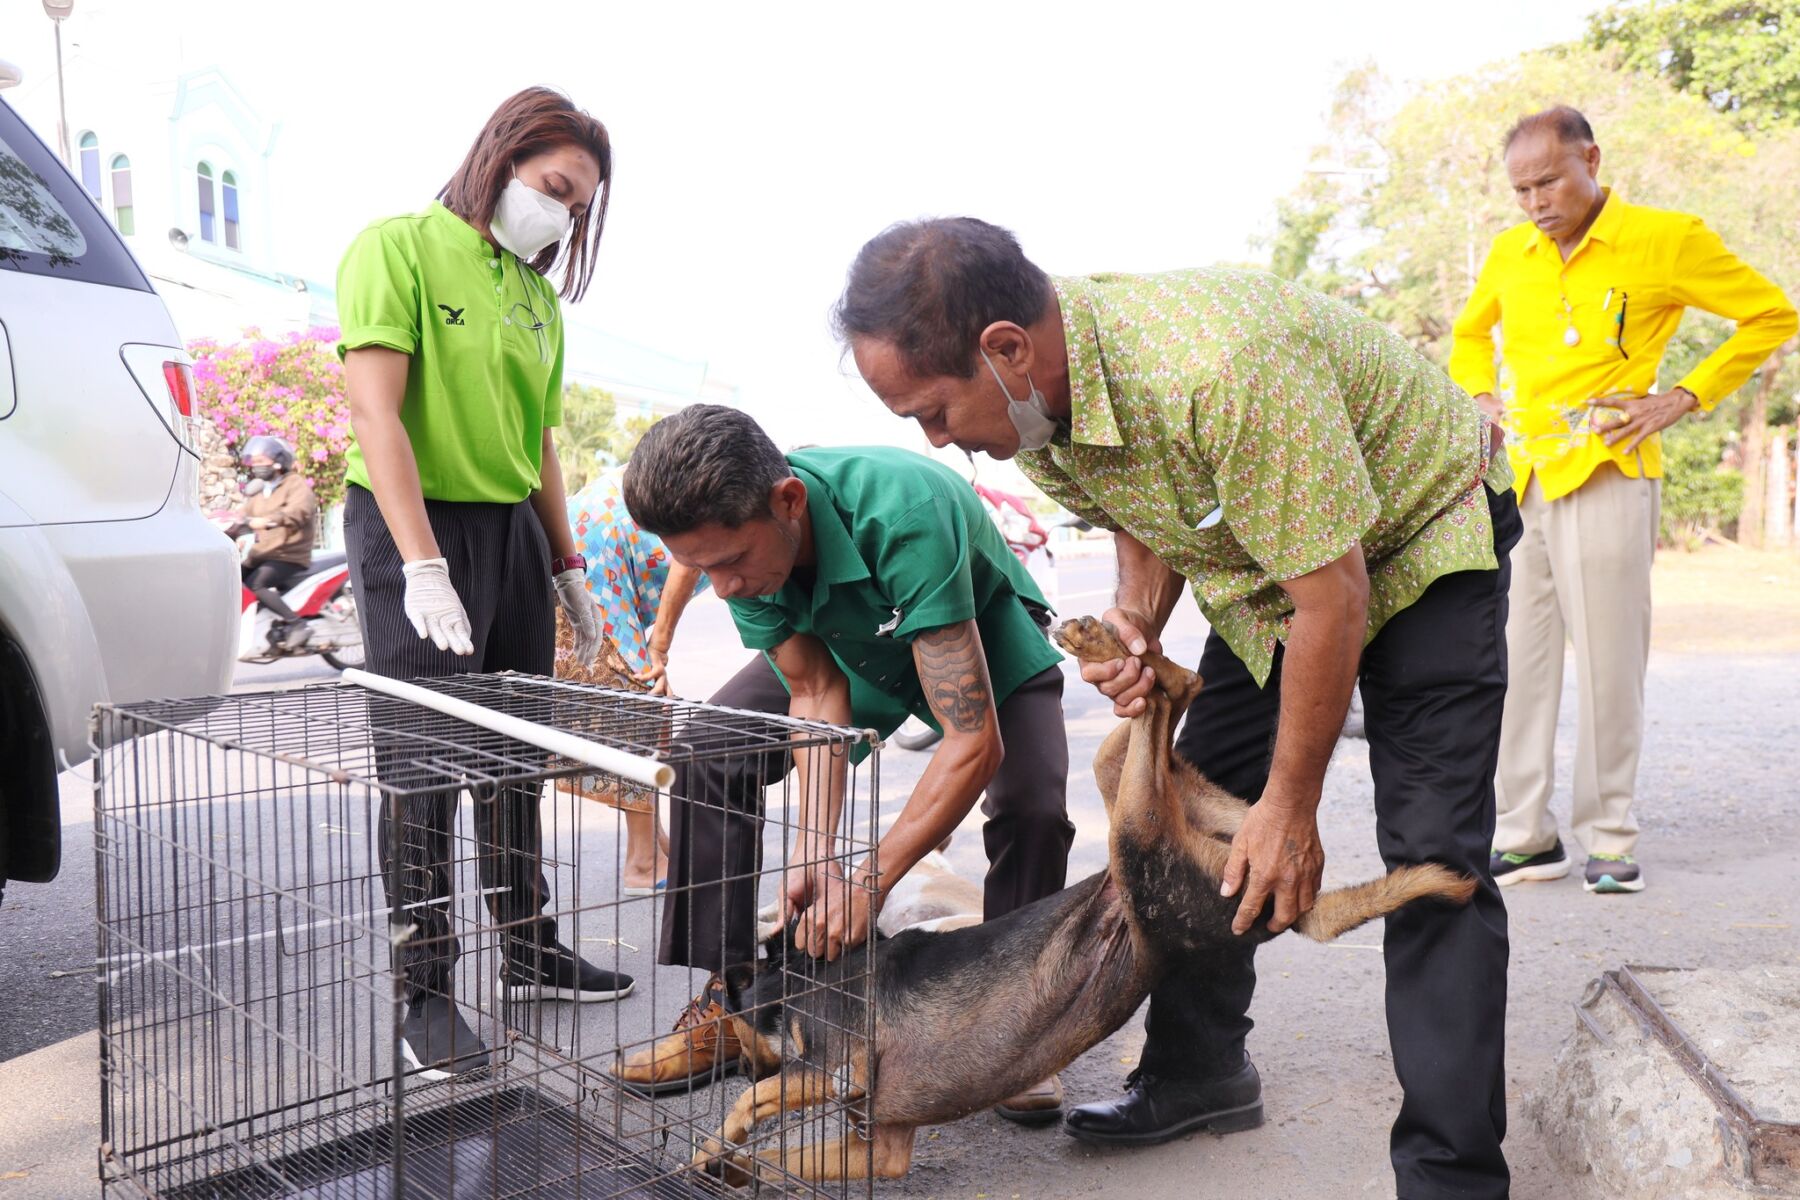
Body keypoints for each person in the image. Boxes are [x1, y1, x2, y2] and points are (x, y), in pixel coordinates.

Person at [838, 217, 1519, 1200]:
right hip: (1273, 571)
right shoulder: (1038, 404)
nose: (939, 441)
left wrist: (1290, 807)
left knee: (1434, 857)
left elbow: (1335, 597)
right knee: (1193, 820)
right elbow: (1142, 509)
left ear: (1004, 350)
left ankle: (1452, 1178)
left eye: (934, 412)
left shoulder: (1220, 367)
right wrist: (1138, 621)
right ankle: (1201, 1070)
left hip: (1422, 527)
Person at [613, 405, 1075, 1126]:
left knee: (1034, 807)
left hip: (976, 637)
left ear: (787, 502)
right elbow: (815, 690)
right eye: (702, 570)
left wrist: (868, 878)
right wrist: (814, 853)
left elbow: (972, 741)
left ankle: (1016, 1030)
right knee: (708, 747)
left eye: (730, 563)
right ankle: (734, 1005)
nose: (724, 589)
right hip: (846, 650)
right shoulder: (742, 564)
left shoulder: (903, 514)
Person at [336, 87, 629, 1080]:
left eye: (580, 205)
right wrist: (420, 563)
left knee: (516, 752)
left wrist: (567, 564)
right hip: (413, 517)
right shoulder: (399, 247)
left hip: (510, 534)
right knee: (424, 763)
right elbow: (378, 416)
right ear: (502, 157)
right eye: (556, 187)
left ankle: (529, 944)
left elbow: (540, 439)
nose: (565, 213)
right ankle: (425, 991)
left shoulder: (536, 297)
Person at [1451, 107, 1797, 895]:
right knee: (1516, 665)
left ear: (1591, 160)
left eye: (1548, 180)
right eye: (1521, 189)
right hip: (1524, 484)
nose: (1535, 200)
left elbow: (1772, 313)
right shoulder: (1511, 252)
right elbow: (1472, 335)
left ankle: (1609, 835)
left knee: (1610, 664)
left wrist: (1682, 396)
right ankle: (1525, 835)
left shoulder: (1666, 238)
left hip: (1612, 471)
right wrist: (1478, 398)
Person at [556, 467, 710, 893]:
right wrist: (658, 649)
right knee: (639, 691)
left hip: (594, 539)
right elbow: (688, 560)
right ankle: (642, 863)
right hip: (595, 547)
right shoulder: (734, 503)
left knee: (638, 690)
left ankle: (655, 844)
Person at [233, 434, 319, 646]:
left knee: (256, 583)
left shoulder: (294, 484)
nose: (256, 467)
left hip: (288, 553)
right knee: (233, 578)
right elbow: (244, 515)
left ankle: (296, 623)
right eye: (254, 463)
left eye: (262, 461)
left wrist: (269, 521)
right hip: (264, 552)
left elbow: (299, 511)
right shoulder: (262, 489)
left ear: (279, 461)